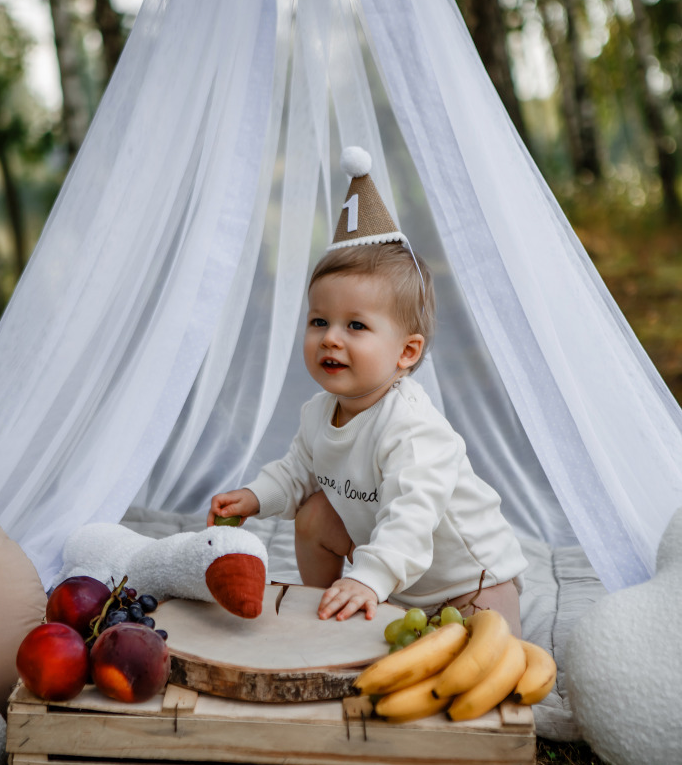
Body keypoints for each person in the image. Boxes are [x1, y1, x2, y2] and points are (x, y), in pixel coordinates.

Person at [208, 150, 526, 634]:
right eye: (319, 321)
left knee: (489, 647)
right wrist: (254, 496)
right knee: (314, 514)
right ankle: (326, 604)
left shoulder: (414, 429)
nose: (330, 337)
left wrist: (371, 576)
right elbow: (296, 471)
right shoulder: (319, 413)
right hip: (393, 578)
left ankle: (366, 591)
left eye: (356, 325)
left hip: (471, 582)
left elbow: (412, 516)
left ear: (406, 352)